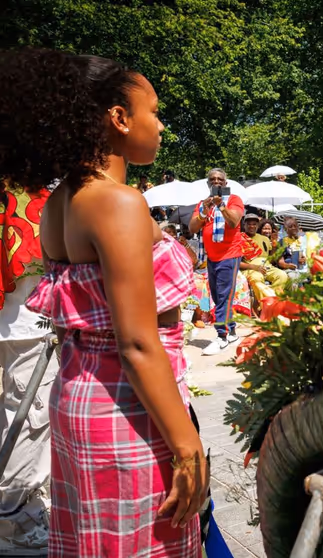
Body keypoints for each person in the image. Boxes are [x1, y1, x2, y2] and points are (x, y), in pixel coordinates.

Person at [1, 49, 206, 557]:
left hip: (81, 396)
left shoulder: (62, 202)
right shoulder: (117, 202)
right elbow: (137, 342)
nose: (161, 126)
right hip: (127, 407)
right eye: (154, 111)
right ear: (118, 118)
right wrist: (187, 448)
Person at [0, 176, 59, 553]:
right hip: (23, 323)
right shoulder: (30, 186)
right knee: (28, 425)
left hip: (18, 321)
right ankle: (16, 523)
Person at [189, 167, 245, 355]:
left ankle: (221, 336)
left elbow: (234, 222)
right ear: (208, 183)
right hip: (212, 258)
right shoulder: (203, 204)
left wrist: (221, 205)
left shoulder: (234, 200)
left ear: (225, 183)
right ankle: (232, 332)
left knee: (223, 297)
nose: (216, 182)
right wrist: (204, 211)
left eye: (220, 179)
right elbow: (192, 228)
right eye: (212, 179)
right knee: (218, 297)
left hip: (229, 255)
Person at [240, 214, 288, 296]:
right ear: (244, 225)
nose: (252, 226)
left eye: (254, 224)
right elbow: (236, 263)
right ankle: (270, 302)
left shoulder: (265, 239)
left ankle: (267, 302)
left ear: (257, 225)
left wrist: (274, 244)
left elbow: (272, 260)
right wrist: (254, 267)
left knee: (282, 275)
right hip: (251, 269)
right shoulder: (239, 238)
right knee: (256, 279)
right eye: (249, 224)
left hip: (267, 267)